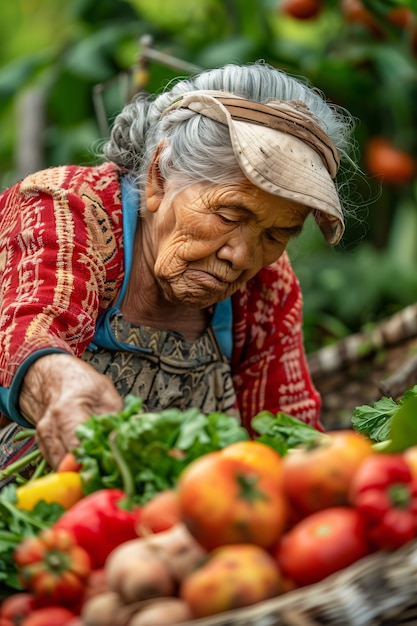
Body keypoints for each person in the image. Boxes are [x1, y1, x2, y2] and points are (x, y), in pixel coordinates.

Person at [0, 61, 354, 479]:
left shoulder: (267, 285)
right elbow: (25, 327)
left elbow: (286, 433)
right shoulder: (68, 208)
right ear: (159, 179)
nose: (241, 256)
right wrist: (58, 385)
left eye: (276, 235)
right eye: (228, 214)